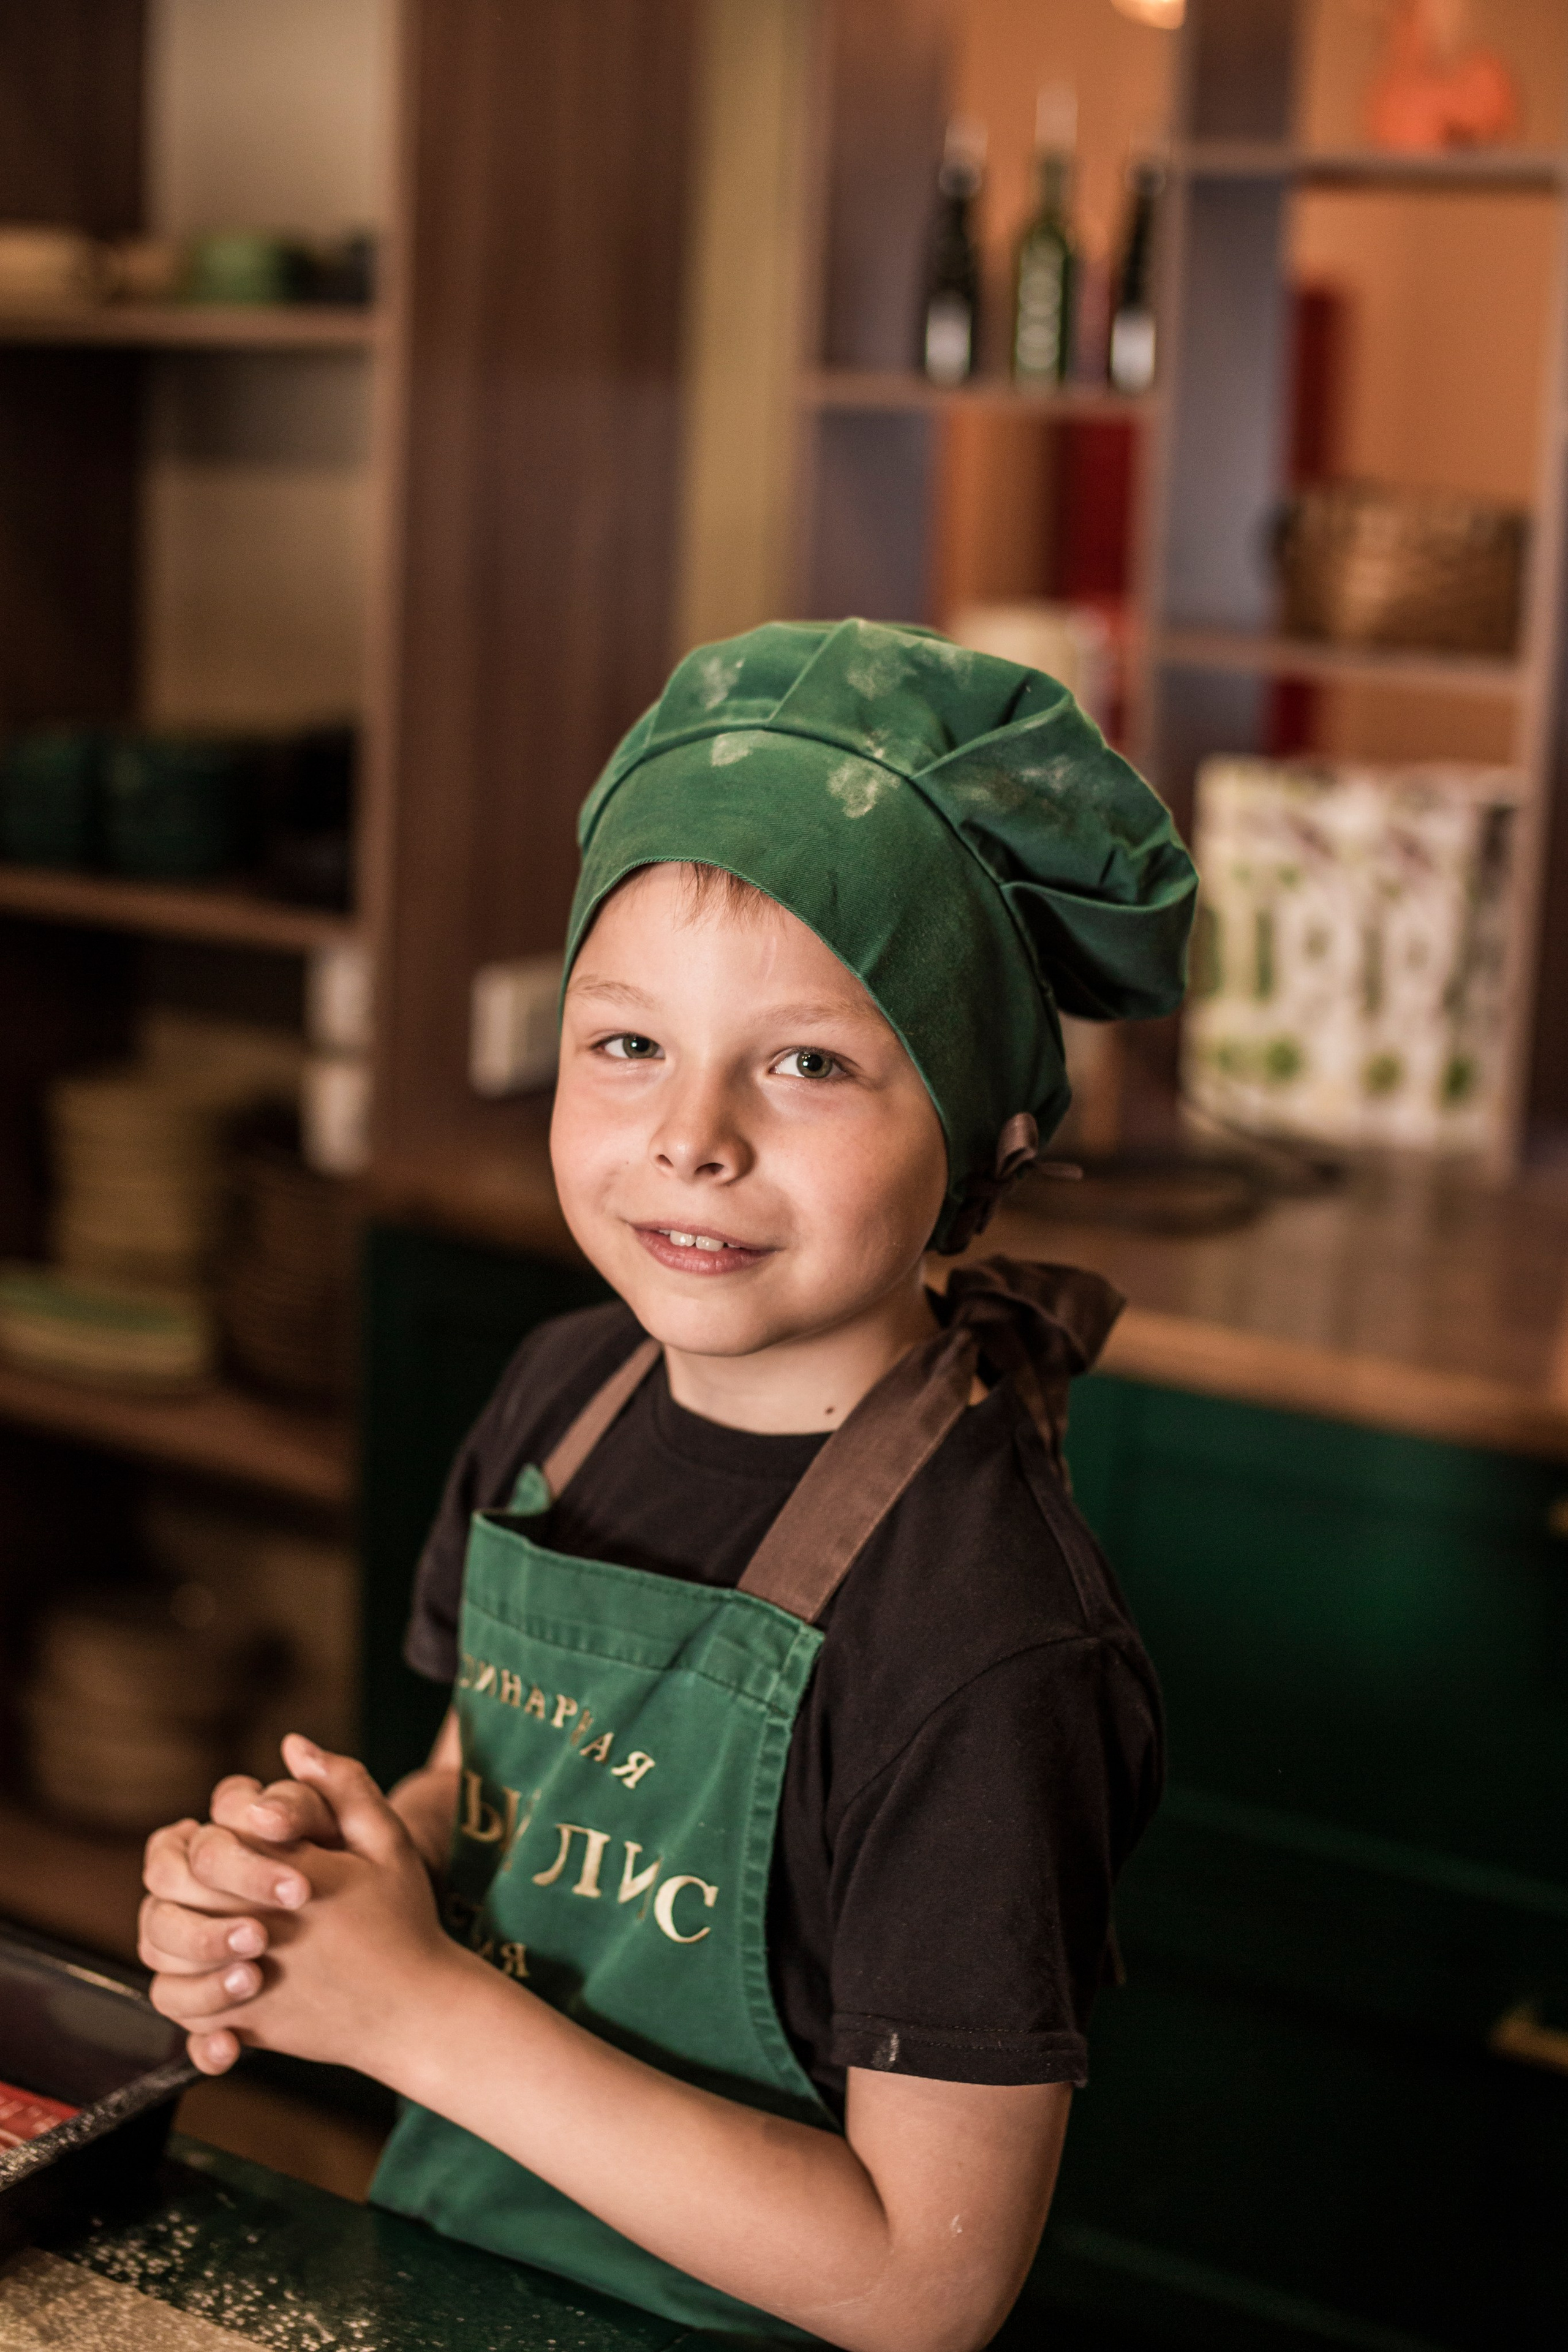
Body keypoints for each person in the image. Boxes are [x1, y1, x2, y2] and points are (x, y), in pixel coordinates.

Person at [139, 619, 1197, 2350]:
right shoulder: (562, 1394)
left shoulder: (989, 1642)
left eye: (808, 1062)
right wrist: (320, 1897)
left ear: (982, 1140)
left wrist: (411, 2020)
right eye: (628, 1044)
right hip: (443, 2281)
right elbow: (495, 1798)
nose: (692, 1134)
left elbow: (928, 2283)